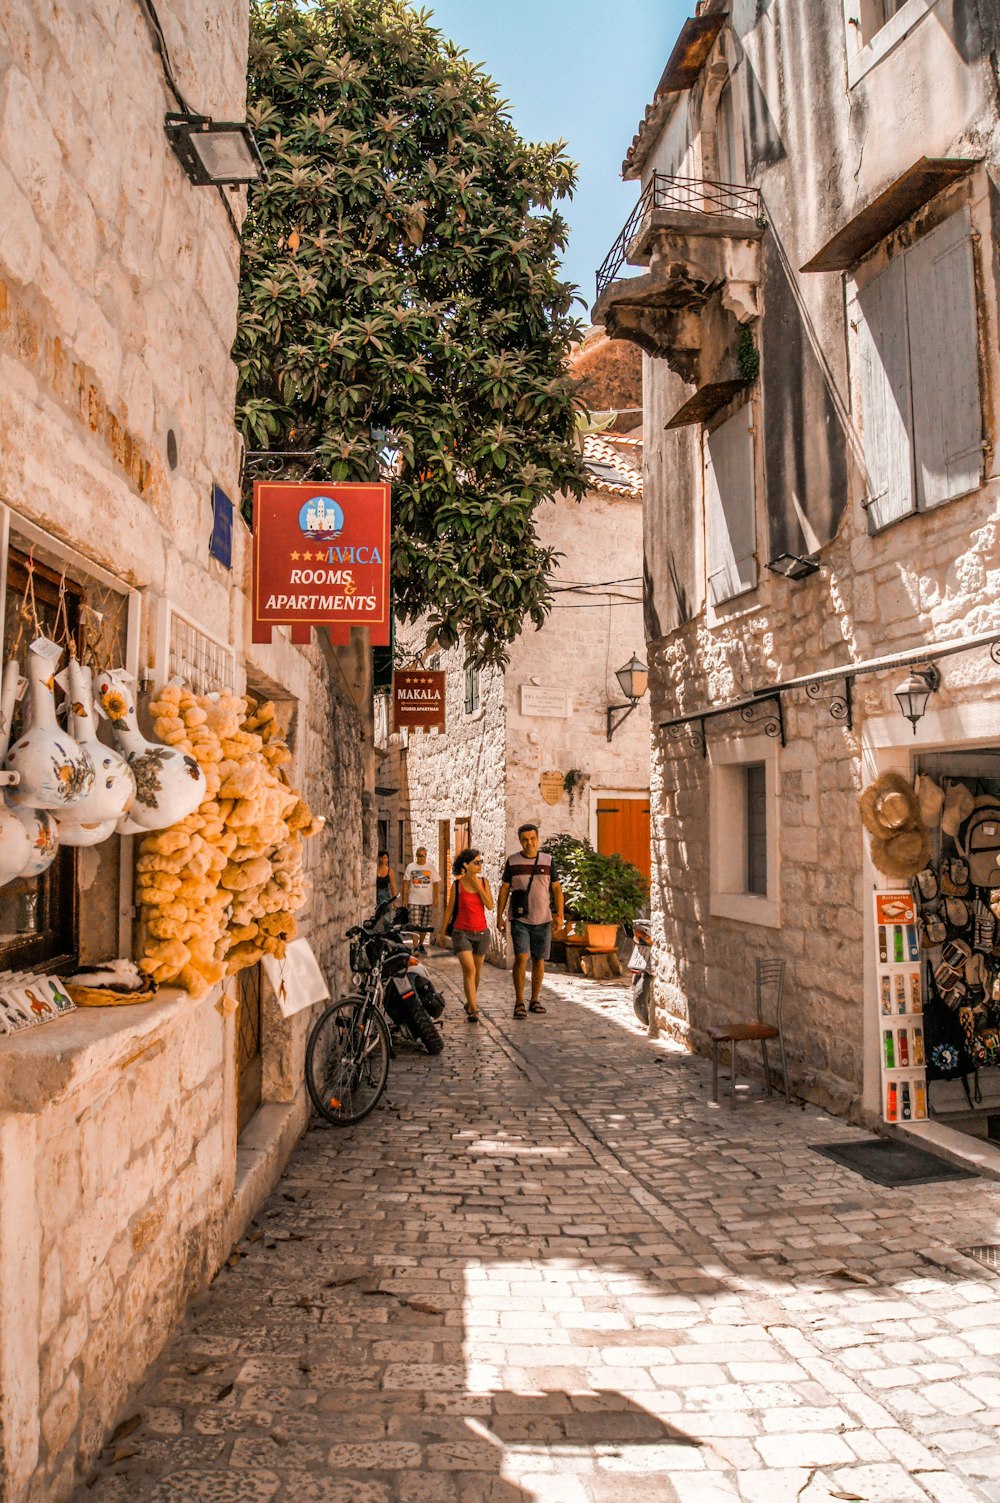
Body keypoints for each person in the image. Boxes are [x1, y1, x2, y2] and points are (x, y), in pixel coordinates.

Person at [497, 823, 563, 1020]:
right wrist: (499, 916)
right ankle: (519, 1002)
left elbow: (557, 889)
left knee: (539, 960)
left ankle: (535, 1000)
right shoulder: (512, 861)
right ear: (520, 840)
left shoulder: (547, 861)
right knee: (521, 958)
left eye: (532, 838)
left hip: (543, 918)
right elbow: (504, 889)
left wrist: (559, 914)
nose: (529, 843)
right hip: (519, 918)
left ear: (538, 839)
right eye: (525, 839)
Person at [441, 847, 493, 1023]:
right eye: (476, 862)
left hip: (481, 932)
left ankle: (470, 1001)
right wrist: (441, 933)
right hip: (461, 932)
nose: (480, 865)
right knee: (469, 970)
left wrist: (478, 886)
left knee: (476, 973)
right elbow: (449, 909)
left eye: (480, 862)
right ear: (466, 865)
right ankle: (474, 1010)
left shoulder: (484, 883)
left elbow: (490, 905)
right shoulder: (457, 885)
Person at [402, 846, 439, 954]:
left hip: (427, 901)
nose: (423, 858)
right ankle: (415, 947)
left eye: (424, 856)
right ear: (416, 856)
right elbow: (405, 884)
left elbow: (436, 883)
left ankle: (421, 944)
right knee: (414, 925)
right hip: (414, 901)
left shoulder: (431, 867)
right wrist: (404, 899)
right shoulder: (410, 867)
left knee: (424, 925)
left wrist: (436, 898)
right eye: (420, 856)